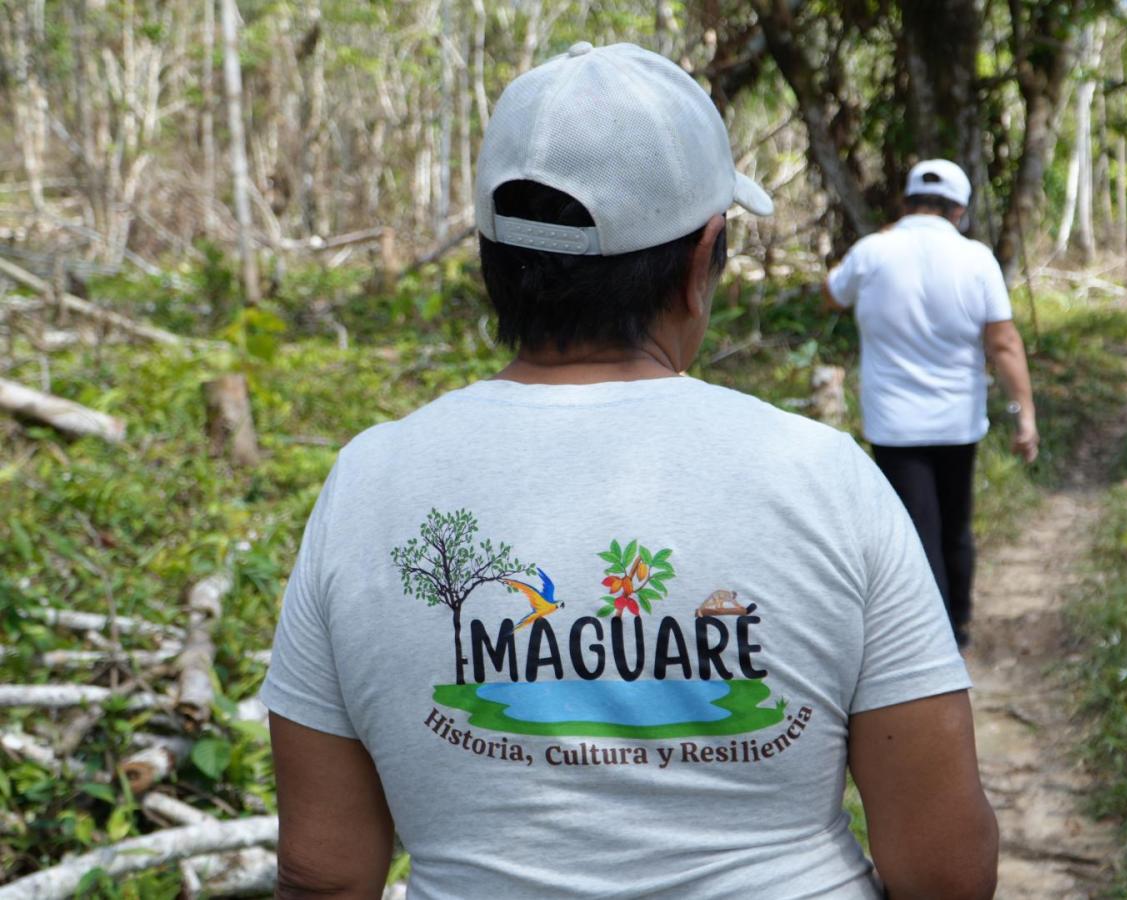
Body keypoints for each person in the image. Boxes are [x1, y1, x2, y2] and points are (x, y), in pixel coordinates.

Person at [263, 43, 997, 899]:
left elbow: (323, 873)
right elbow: (943, 868)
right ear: (701, 263)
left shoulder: (368, 482)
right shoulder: (824, 477)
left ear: (493, 264)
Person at [822, 159, 1039, 648]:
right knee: (955, 525)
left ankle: (928, 640)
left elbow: (831, 295)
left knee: (915, 530)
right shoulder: (977, 258)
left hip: (893, 424)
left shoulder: (872, 251)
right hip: (958, 420)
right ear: (959, 210)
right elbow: (1003, 343)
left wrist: (873, 244)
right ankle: (956, 625)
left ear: (905, 203)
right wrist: (1024, 413)